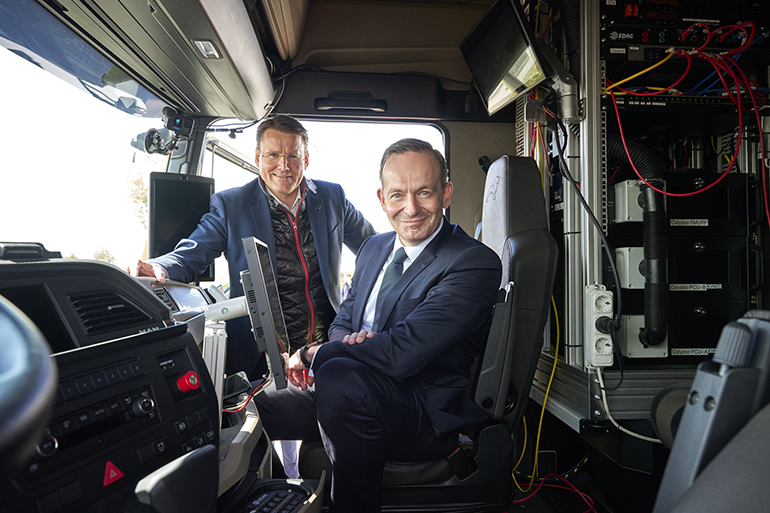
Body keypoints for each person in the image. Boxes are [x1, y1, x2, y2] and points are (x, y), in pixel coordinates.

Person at [285, 138, 502, 512]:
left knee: (337, 376)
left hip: (423, 412)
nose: (412, 208)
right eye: (398, 195)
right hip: (358, 388)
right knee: (253, 406)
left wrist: (312, 354)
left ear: (446, 194)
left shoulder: (472, 262)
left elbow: (403, 353)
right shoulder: (373, 248)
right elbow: (342, 322)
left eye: (425, 193)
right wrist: (347, 344)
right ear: (382, 199)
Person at [130, 115, 376, 382]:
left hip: (323, 348)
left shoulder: (332, 198)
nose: (284, 166)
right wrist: (160, 266)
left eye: (293, 156)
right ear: (258, 158)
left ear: (305, 160)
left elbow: (373, 249)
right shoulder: (231, 206)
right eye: (273, 154)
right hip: (260, 354)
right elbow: (192, 254)